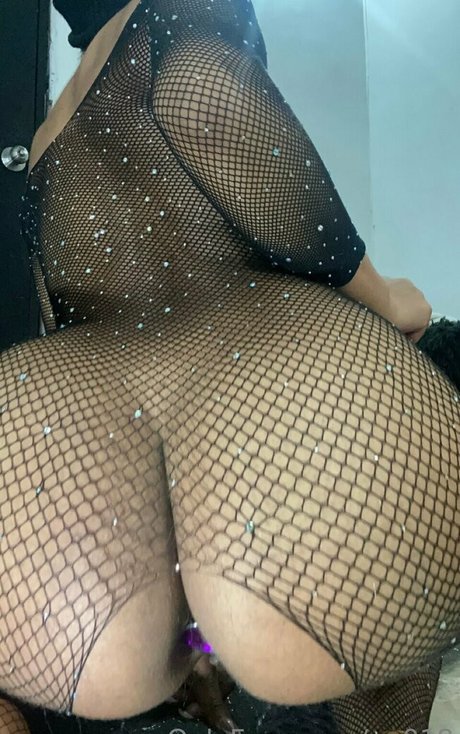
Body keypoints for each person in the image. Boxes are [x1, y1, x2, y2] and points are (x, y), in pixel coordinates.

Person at [1, 0, 457, 732]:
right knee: (380, 617)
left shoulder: (50, 129)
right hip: (257, 370)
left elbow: (57, 296)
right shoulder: (173, 6)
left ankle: (192, 636)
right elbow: (204, 101)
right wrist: (380, 292)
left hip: (70, 491)